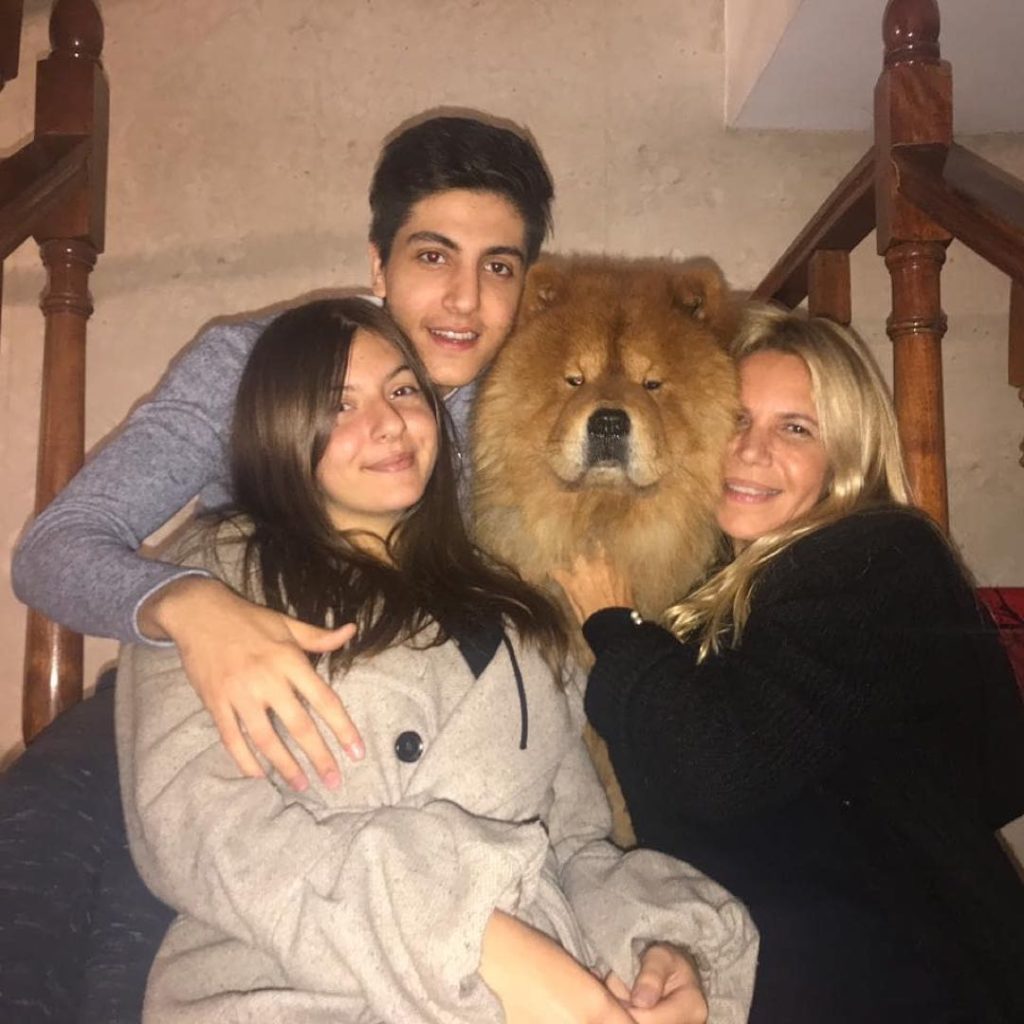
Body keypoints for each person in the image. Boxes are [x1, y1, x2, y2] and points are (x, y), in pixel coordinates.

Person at [117, 296, 758, 1023]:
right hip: (290, 988)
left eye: (402, 391)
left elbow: (574, 844)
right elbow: (199, 829)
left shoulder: (515, 610)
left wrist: (656, 943)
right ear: (281, 425)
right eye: (340, 403)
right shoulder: (216, 576)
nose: (388, 422)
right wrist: (477, 942)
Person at [13, 112, 553, 789]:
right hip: (213, 712)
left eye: (497, 267)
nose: (465, 300)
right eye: (433, 256)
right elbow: (54, 549)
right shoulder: (250, 367)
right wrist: (190, 604)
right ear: (379, 265)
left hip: (408, 735)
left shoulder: (525, 399)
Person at [556, 304, 1024, 1023]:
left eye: (796, 428)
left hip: (911, 984)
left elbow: (719, 769)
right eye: (737, 419)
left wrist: (614, 624)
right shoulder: (720, 586)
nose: (751, 450)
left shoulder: (878, 556)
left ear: (847, 454)